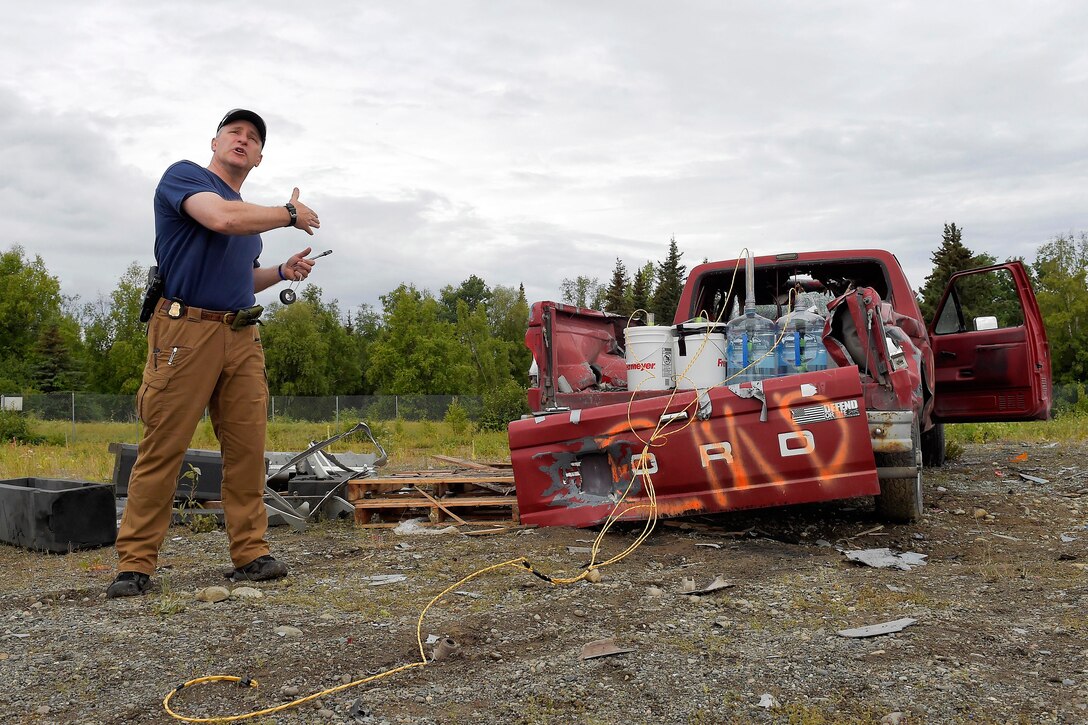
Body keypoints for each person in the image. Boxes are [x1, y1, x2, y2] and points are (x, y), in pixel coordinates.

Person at [107, 109, 322, 598]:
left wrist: (281, 272)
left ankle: (251, 554)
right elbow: (221, 218)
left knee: (247, 451)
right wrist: (290, 215)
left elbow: (242, 278)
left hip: (240, 337)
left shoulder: (253, 225)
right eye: (235, 132)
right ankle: (135, 564)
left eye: (252, 137)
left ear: (260, 157)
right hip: (184, 334)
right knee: (164, 447)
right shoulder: (185, 178)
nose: (243, 140)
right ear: (215, 141)